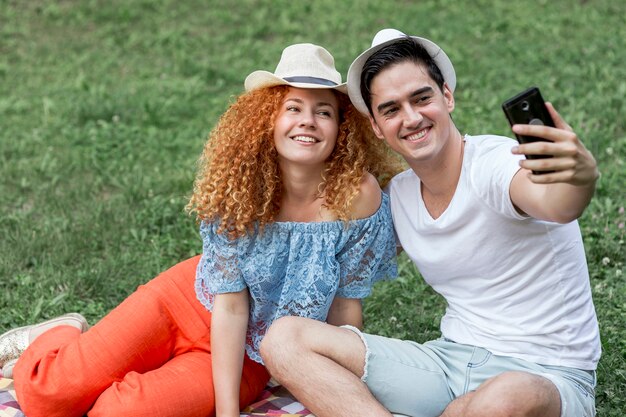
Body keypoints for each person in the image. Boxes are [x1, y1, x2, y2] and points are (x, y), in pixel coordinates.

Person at [0, 42, 401, 417]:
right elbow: (230, 305)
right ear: (269, 119)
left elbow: (346, 305)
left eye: (324, 111)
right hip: (184, 303)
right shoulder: (243, 185)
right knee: (45, 394)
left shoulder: (357, 195)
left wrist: (327, 385)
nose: (307, 122)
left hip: (251, 354)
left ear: (342, 128)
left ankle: (102, 373)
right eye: (293, 108)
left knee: (116, 412)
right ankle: (60, 332)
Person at [260, 29, 601, 417]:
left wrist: (580, 178)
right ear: (375, 126)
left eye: (421, 99)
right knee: (284, 339)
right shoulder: (401, 195)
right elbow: (338, 250)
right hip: (448, 364)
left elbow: (556, 203)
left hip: (545, 375)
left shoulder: (492, 164)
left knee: (505, 398)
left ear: (447, 96)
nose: (411, 118)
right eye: (390, 109)